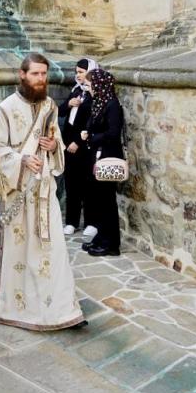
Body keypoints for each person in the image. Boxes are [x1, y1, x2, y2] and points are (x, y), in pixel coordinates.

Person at [0, 53, 86, 331]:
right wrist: (21, 160)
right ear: (22, 75)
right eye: (35, 74)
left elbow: (57, 141)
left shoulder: (50, 106)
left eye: (44, 74)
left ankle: (62, 310)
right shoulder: (5, 109)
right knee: (20, 254)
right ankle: (19, 309)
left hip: (44, 192)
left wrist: (53, 147)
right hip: (17, 193)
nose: (41, 79)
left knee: (52, 251)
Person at [81, 68, 125, 257]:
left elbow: (113, 133)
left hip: (108, 158)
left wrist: (92, 137)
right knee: (98, 201)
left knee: (107, 202)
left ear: (99, 85)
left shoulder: (112, 105)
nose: (88, 89)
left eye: (90, 85)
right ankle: (101, 237)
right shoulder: (100, 102)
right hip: (97, 158)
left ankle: (111, 244)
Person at [59, 58, 97, 237]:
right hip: (68, 145)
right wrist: (69, 104)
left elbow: (93, 122)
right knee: (71, 184)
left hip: (85, 146)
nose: (78, 75)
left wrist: (78, 142)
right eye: (77, 72)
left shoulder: (95, 93)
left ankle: (91, 222)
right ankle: (72, 222)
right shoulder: (76, 90)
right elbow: (60, 111)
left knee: (88, 185)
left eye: (81, 72)